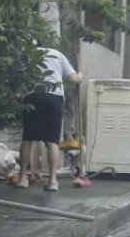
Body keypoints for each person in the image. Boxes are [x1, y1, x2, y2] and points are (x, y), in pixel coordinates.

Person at [18, 44, 83, 192]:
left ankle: (22, 178)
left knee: (28, 138)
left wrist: (19, 93)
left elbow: (19, 81)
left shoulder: (27, 54)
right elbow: (74, 79)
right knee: (52, 140)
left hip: (33, 96)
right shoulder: (57, 54)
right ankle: (53, 181)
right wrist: (81, 75)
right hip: (54, 98)